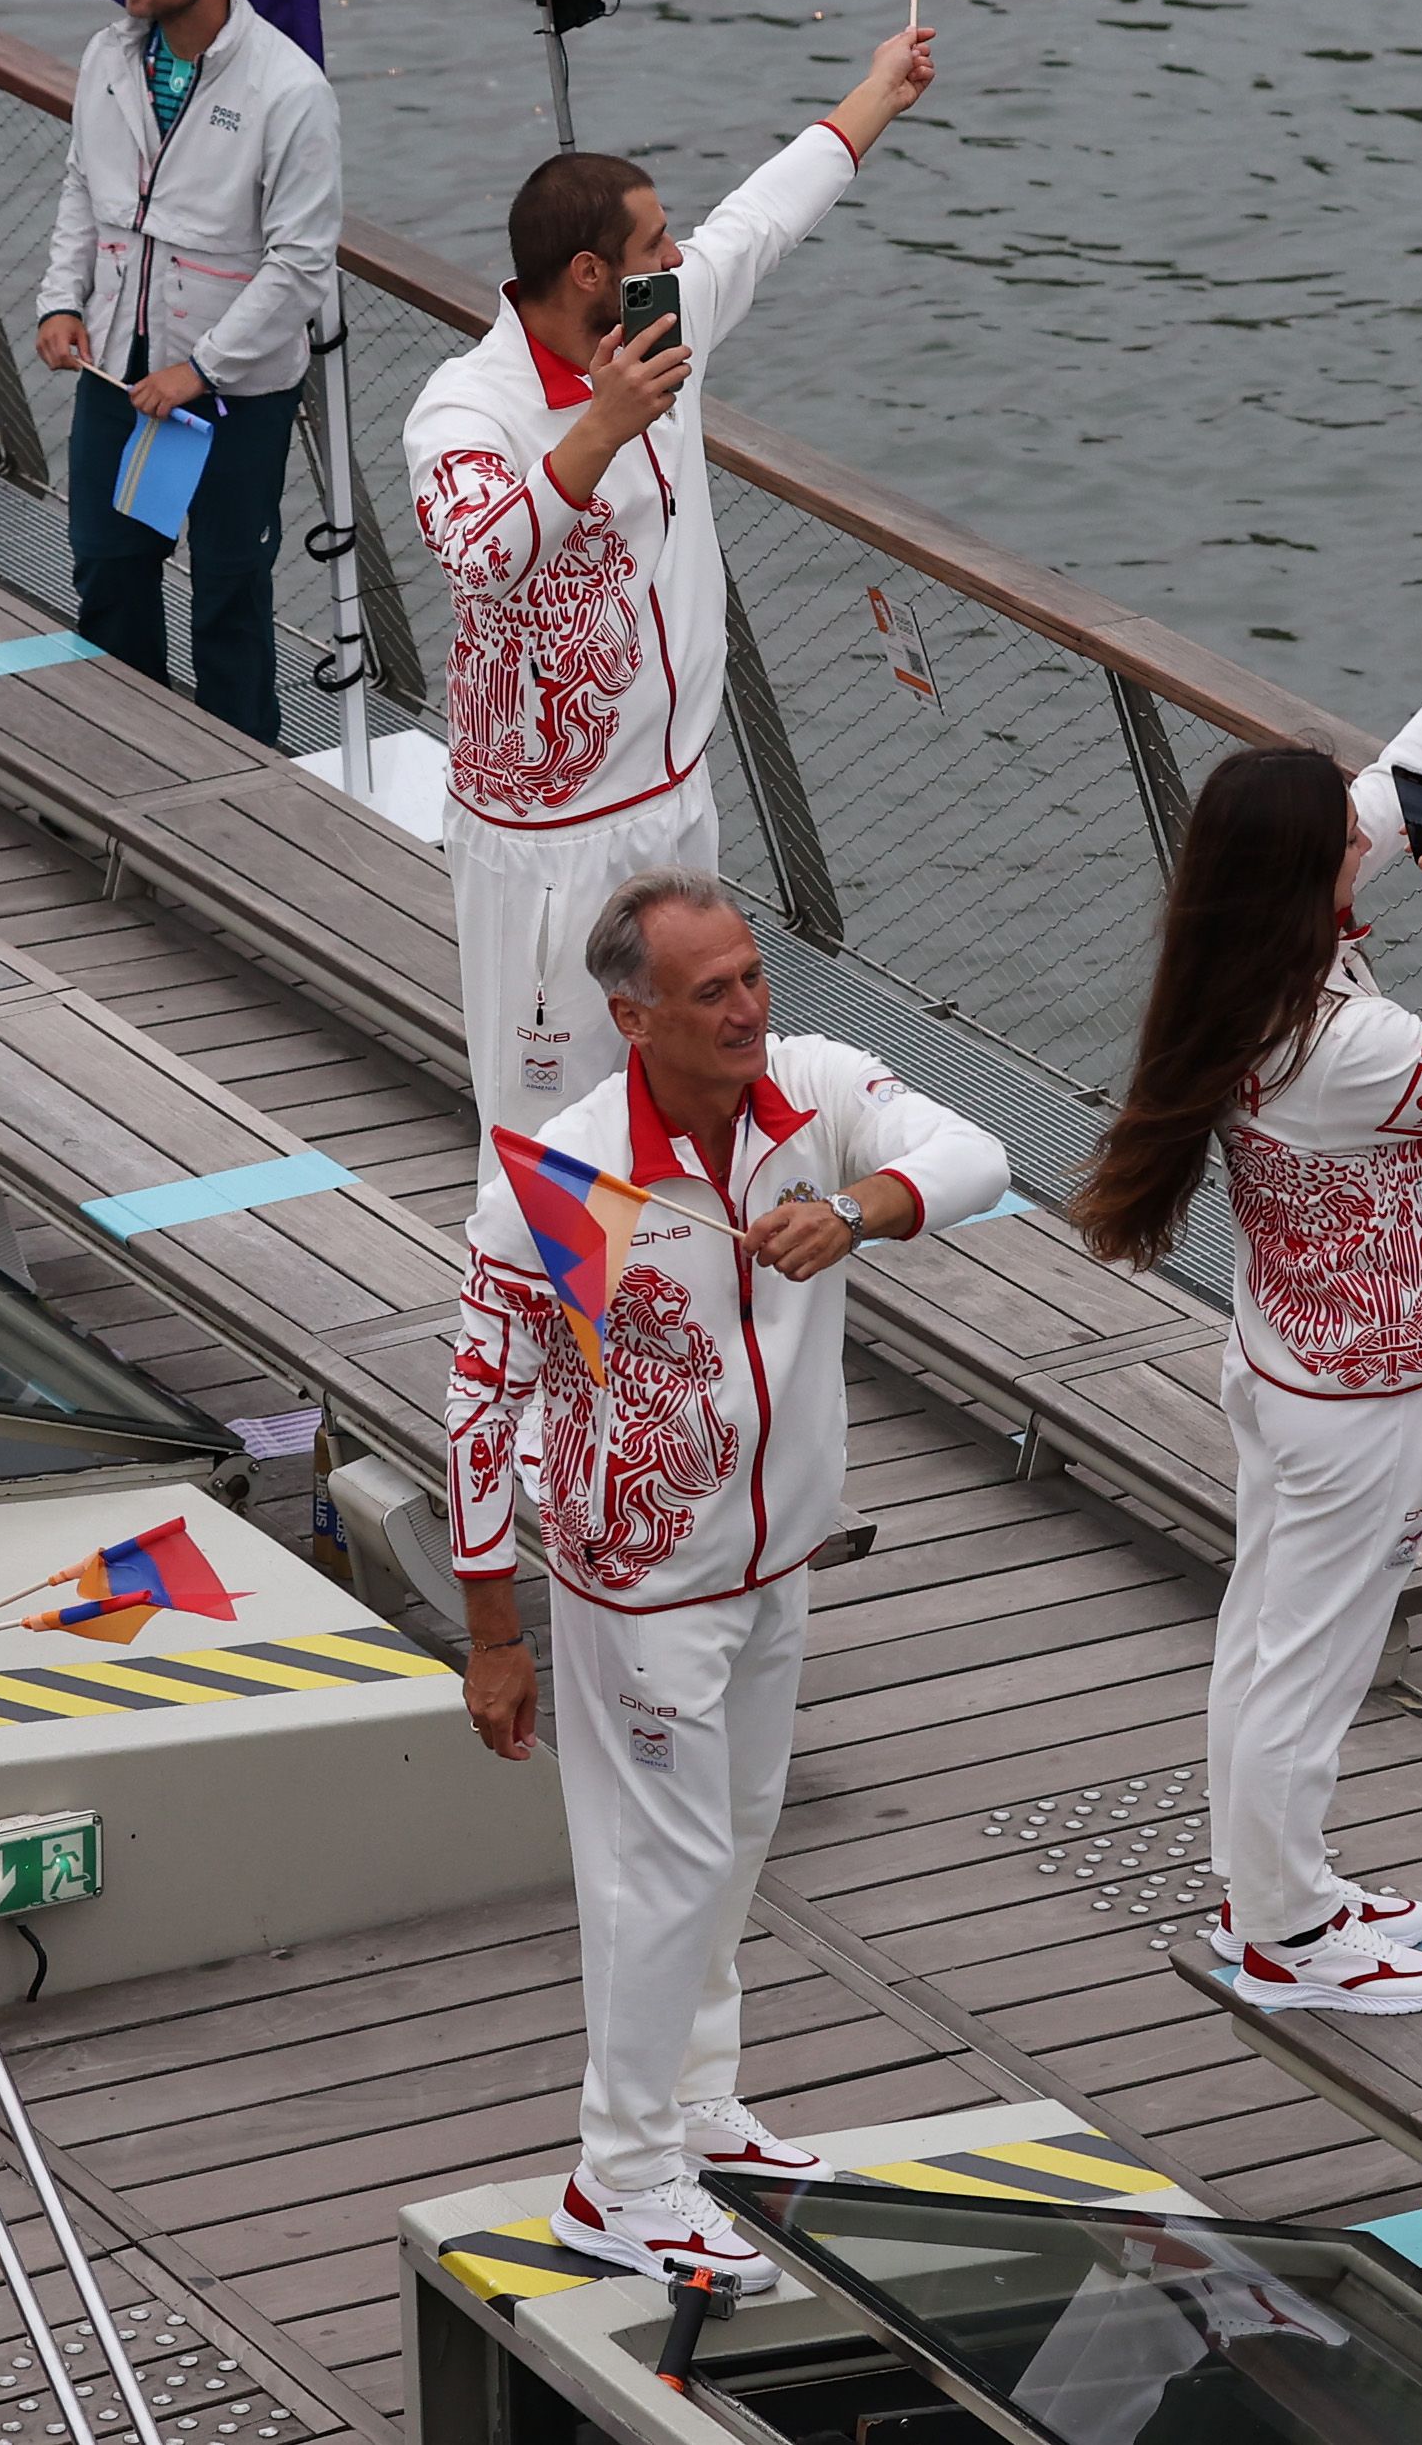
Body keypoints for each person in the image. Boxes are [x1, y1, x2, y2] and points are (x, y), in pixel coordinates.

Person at [451, 873, 1007, 2291]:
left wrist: (866, 1207)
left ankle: (694, 2097)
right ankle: (617, 2174)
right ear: (631, 1017)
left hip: (776, 1553)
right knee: (664, 1862)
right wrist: (490, 1630)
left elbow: (980, 1156)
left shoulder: (809, 1095)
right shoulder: (565, 1178)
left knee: (738, 1830)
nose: (750, 1006)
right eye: (712, 991)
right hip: (637, 1579)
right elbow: (476, 1398)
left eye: (753, 975)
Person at [1070, 561, 1422, 2016]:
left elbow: (1400, 774)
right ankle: (1284, 1935)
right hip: (1361, 1408)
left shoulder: (1231, 957)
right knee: (1312, 1661)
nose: (1366, 842)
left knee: (1264, 1636)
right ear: (1306, 877)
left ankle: (1265, 1885)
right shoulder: (1333, 1044)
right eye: (1342, 844)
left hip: (1285, 1365)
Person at [401, 31, 938, 1198]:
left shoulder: (664, 320)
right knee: (549, 1130)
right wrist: (601, 424)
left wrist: (878, 94)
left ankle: (676, 1322)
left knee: (686, 1095)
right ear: (591, 272)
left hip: (673, 803)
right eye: (653, 241)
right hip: (547, 844)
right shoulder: (463, 408)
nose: (678, 253)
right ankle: (535, 1342)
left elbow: (762, 220)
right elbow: (477, 552)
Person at [29, 0, 341, 742]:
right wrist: (62, 299)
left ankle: (245, 778)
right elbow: (82, 186)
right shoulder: (108, 56)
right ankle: (128, 757)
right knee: (107, 566)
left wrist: (201, 368)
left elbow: (300, 263)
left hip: (233, 394)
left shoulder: (290, 90)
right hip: (118, 371)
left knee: (230, 589)